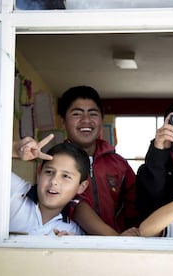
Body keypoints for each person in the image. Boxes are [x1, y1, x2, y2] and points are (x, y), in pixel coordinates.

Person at [0, 141, 90, 236]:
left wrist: (69, 247)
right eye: (49, 172)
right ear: (39, 172)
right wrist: (13, 149)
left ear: (81, 187)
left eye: (66, 176)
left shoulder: (73, 233)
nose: (54, 181)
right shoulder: (12, 189)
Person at [57, 85, 139, 235]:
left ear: (101, 119)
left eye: (93, 114)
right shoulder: (54, 161)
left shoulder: (119, 164)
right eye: (77, 114)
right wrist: (115, 240)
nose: (86, 120)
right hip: (70, 244)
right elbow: (71, 204)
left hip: (116, 247)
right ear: (63, 121)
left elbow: (135, 207)